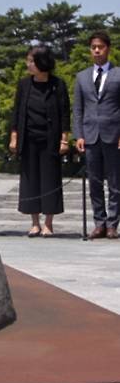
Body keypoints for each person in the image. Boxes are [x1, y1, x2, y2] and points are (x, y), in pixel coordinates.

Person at [9, 46, 70, 237]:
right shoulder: (24, 84)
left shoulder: (58, 85)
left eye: (31, 61)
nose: (28, 64)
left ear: (42, 62)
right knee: (30, 181)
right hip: (28, 139)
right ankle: (34, 223)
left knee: (50, 180)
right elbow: (17, 111)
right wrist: (14, 137)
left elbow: (65, 113)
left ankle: (48, 223)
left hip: (50, 139)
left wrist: (64, 140)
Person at [73, 31, 120, 239]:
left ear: (108, 48)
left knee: (115, 182)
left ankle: (113, 224)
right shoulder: (82, 77)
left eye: (100, 47)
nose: (97, 50)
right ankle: (99, 223)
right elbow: (78, 109)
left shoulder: (118, 74)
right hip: (90, 135)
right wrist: (79, 135)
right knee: (94, 183)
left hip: (113, 134)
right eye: (93, 47)